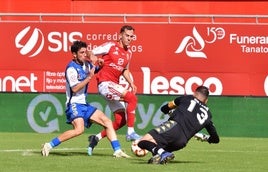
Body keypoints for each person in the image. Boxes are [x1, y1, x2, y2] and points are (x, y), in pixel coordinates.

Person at [41, 40, 130, 158]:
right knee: (79, 130)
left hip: (84, 104)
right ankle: (49, 145)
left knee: (107, 122)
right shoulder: (71, 69)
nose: (84, 54)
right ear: (74, 54)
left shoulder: (87, 64)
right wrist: (89, 78)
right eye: (82, 53)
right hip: (74, 104)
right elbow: (75, 89)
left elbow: (98, 68)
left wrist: (101, 63)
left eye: (85, 52)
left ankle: (117, 150)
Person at [86, 25, 141, 156]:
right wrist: (95, 58)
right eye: (127, 35)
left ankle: (96, 138)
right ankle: (130, 132)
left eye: (131, 36)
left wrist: (131, 82)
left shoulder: (129, 53)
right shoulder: (110, 46)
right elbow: (90, 52)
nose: (129, 38)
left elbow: (124, 70)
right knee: (132, 98)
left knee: (121, 120)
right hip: (105, 84)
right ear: (120, 35)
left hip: (113, 85)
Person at [137, 86, 220, 164]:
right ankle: (161, 154)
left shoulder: (186, 98)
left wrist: (172, 113)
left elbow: (164, 108)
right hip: (182, 142)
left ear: (194, 93)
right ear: (206, 101)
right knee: (156, 148)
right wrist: (205, 138)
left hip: (173, 127)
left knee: (142, 142)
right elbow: (216, 139)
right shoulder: (208, 115)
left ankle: (163, 154)